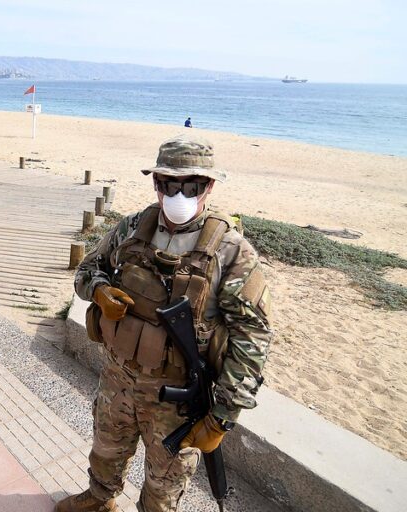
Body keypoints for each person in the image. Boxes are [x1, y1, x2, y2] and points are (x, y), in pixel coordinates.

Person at [56, 135, 273, 512]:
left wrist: (222, 417)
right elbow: (87, 269)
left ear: (208, 187)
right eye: (169, 184)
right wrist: (100, 291)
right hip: (119, 377)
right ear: (156, 184)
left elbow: (252, 339)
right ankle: (100, 500)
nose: (178, 195)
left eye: (191, 185)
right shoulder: (133, 228)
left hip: (178, 398)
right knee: (106, 450)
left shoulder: (232, 252)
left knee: (164, 486)